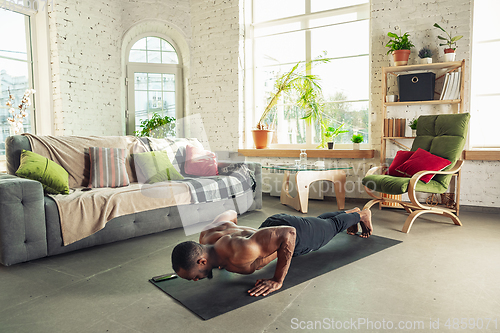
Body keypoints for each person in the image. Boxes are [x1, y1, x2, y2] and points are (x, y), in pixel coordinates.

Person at [171, 208, 372, 297]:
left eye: (193, 278)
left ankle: (362, 214)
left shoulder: (240, 251)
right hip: (270, 227)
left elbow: (290, 233)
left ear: (201, 261)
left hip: (295, 235)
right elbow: (230, 213)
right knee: (320, 221)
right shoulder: (206, 236)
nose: (196, 281)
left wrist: (278, 279)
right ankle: (350, 213)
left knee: (330, 227)